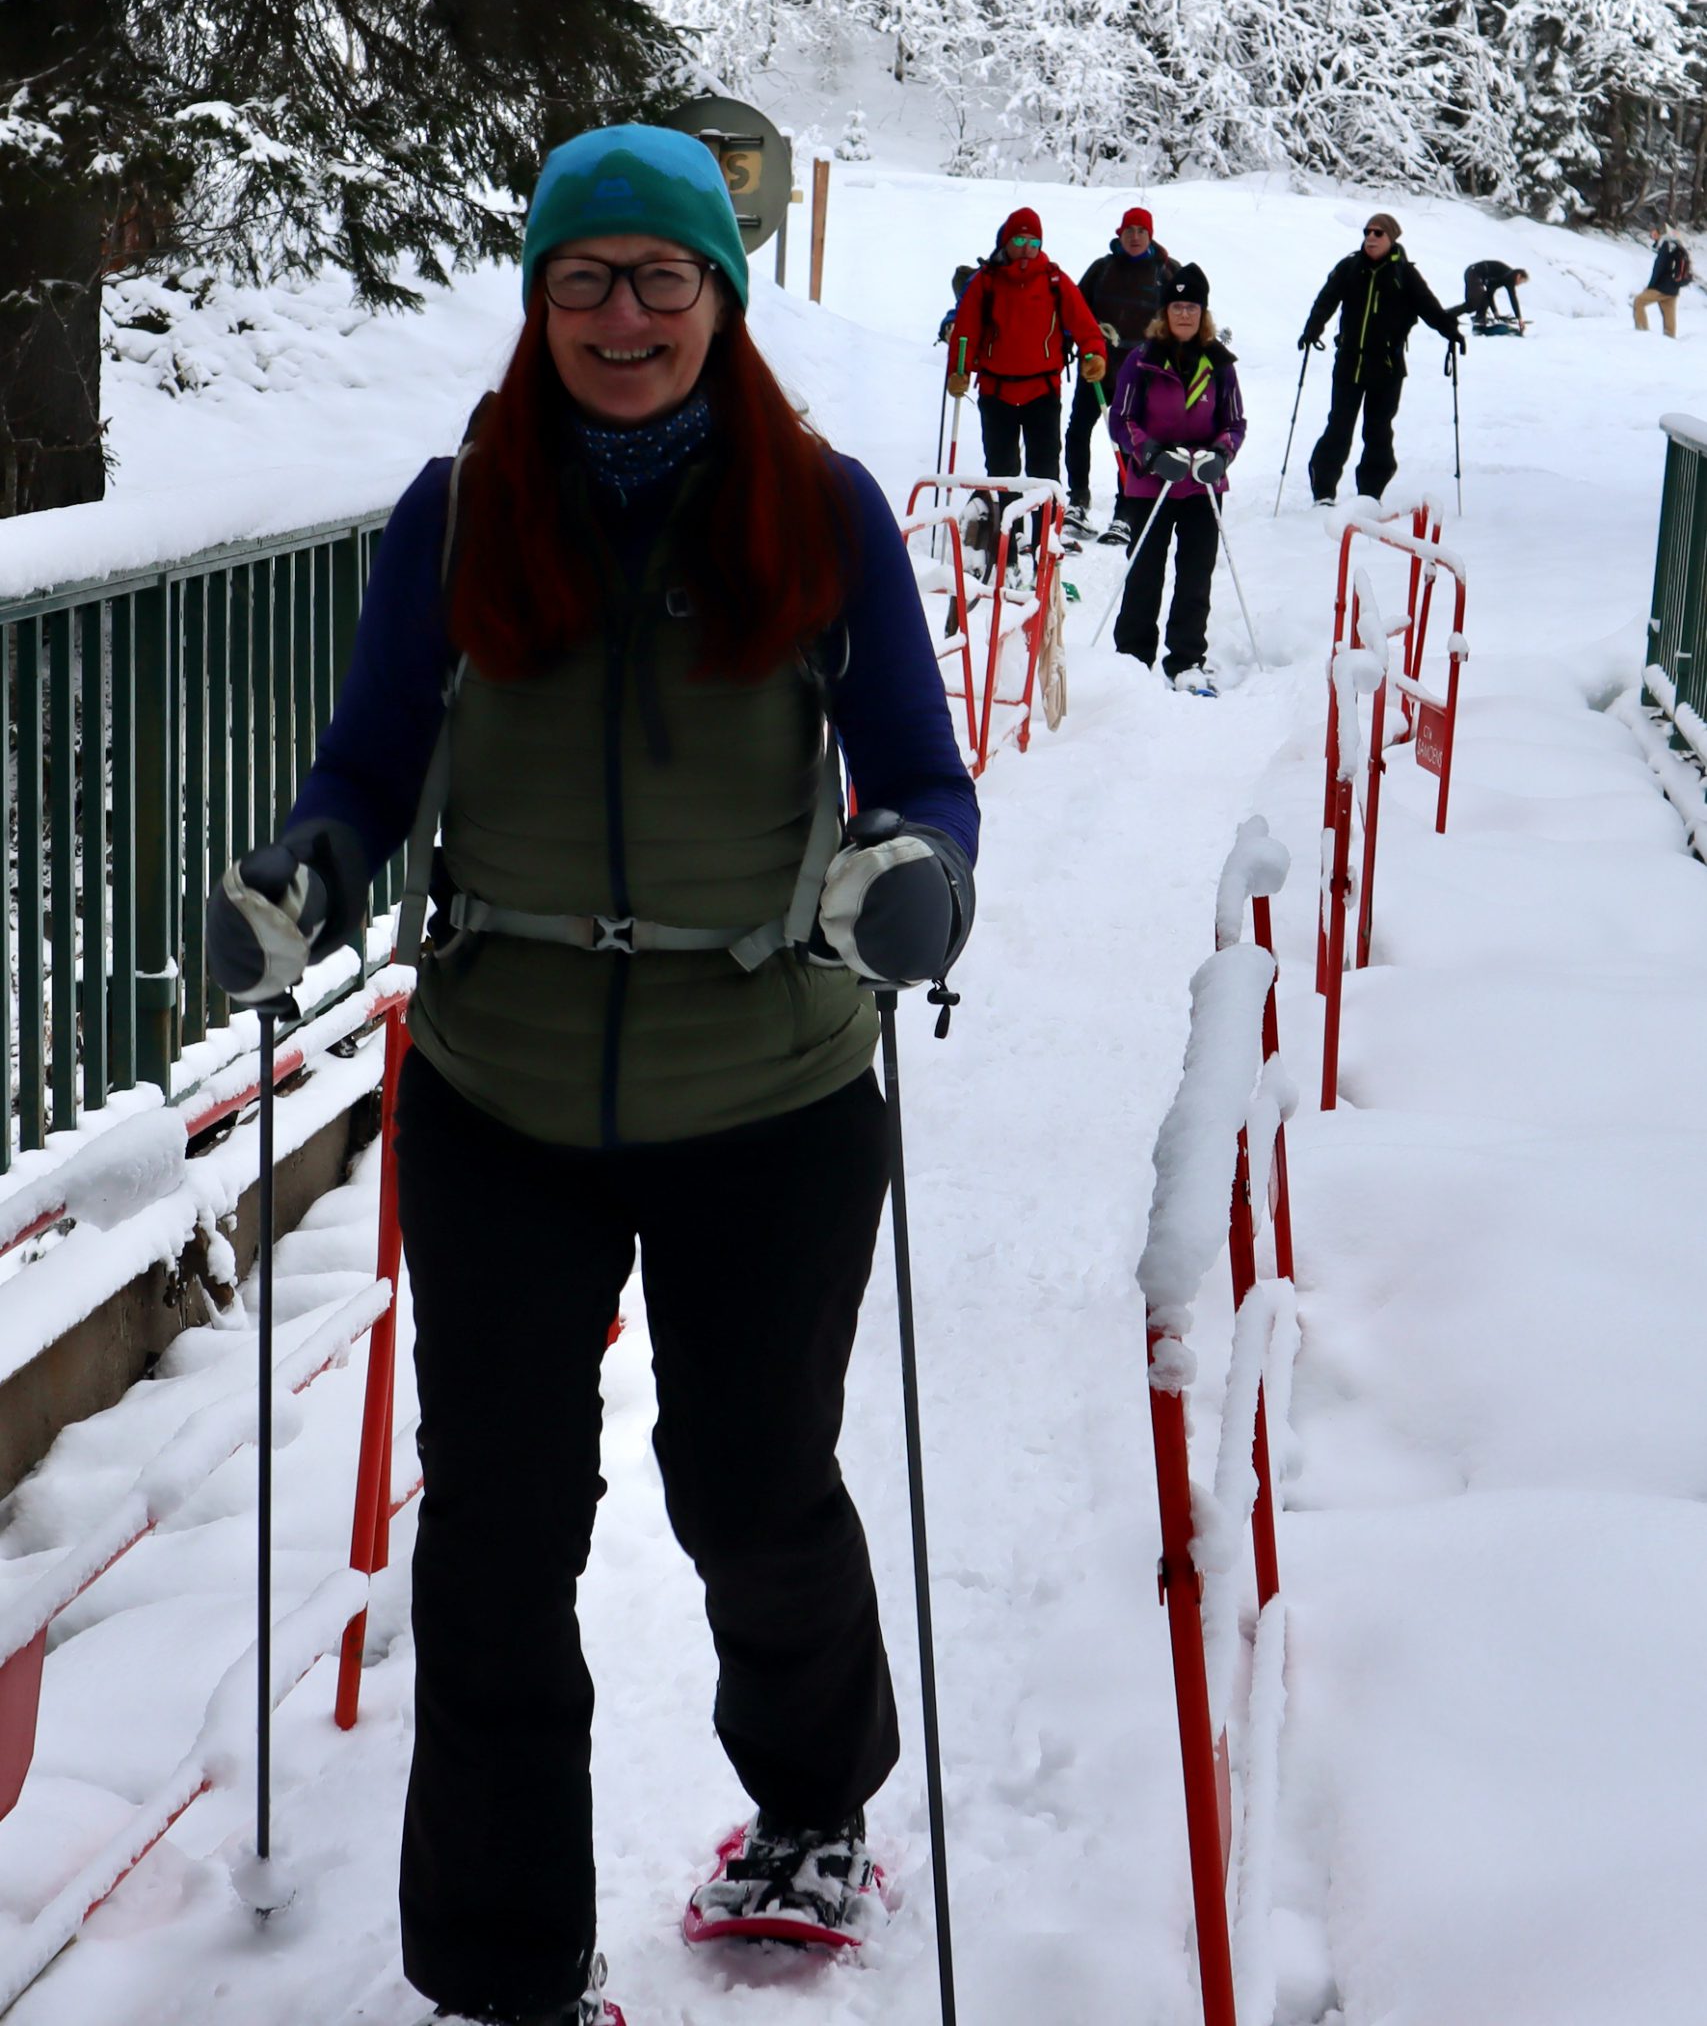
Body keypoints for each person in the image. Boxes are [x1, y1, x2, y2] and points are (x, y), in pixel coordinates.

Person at [203, 125, 979, 2026]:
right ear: (538, 304)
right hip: (502, 1091)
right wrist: (305, 873)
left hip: (773, 1100)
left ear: (721, 297)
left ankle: (812, 1807)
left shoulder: (821, 508)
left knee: (751, 1484)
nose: (621, 318)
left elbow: (921, 771)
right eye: (582, 282)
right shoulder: (458, 513)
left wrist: (909, 879)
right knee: (491, 1530)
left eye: (659, 280)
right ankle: (506, 1970)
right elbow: (371, 768)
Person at [1107, 264, 1245, 694]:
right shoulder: (1141, 359)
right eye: (1176, 306)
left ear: (1203, 313)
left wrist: (1221, 456)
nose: (1184, 314)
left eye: (1192, 307)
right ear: (1164, 312)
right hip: (1153, 483)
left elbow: (1235, 423)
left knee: (1195, 575)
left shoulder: (1219, 364)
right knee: (1144, 572)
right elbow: (1120, 420)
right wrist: (1148, 452)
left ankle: (1185, 660)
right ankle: (1131, 660)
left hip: (1202, 484)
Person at [1299, 213, 1461, 503]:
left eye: (1378, 233)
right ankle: (1323, 491)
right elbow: (1326, 300)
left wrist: (1451, 332)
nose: (1371, 238)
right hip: (1349, 362)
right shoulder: (1350, 267)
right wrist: (1312, 329)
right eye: (1367, 232)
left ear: (1391, 239)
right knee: (1339, 426)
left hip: (1387, 367)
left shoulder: (1404, 274)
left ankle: (1370, 494)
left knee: (1378, 431)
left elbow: (1428, 306)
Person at [945, 207, 1105, 484]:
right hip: (996, 391)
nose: (1026, 249)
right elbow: (965, 332)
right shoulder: (986, 281)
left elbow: (1086, 326)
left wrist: (1094, 355)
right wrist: (958, 371)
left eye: (1034, 243)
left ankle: (1043, 527)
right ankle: (1009, 526)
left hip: (1042, 390)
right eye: (1020, 241)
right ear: (1006, 242)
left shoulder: (1055, 281)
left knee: (1044, 471)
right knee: (1001, 470)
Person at [1064, 207, 1178, 531]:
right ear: (1120, 233)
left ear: (1150, 235)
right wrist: (1074, 344)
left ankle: (1125, 510)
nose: (1136, 236)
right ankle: (1078, 499)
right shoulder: (1102, 270)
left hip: (1141, 371)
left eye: (1142, 230)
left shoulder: (1167, 273)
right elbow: (1074, 311)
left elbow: (1186, 320)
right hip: (1098, 366)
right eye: (1130, 230)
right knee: (1078, 430)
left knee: (1132, 438)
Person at [1635, 226, 1692, 336]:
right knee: (1669, 314)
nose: (1652, 235)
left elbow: (1659, 268)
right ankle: (1670, 339)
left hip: (1662, 287)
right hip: (1674, 288)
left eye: (1654, 232)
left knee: (1639, 301)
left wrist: (1650, 286)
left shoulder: (1665, 245)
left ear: (1662, 233)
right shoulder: (1675, 246)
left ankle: (1641, 333)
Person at [1447, 259, 1528, 335]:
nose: (1519, 284)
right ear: (1518, 276)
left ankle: (1479, 322)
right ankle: (1444, 315)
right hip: (1474, 272)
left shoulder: (1505, 277)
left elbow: (1490, 293)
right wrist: (1519, 318)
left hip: (1475, 275)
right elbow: (1513, 298)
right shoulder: (1510, 277)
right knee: (1472, 304)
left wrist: (1495, 312)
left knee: (1483, 299)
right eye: (1521, 282)